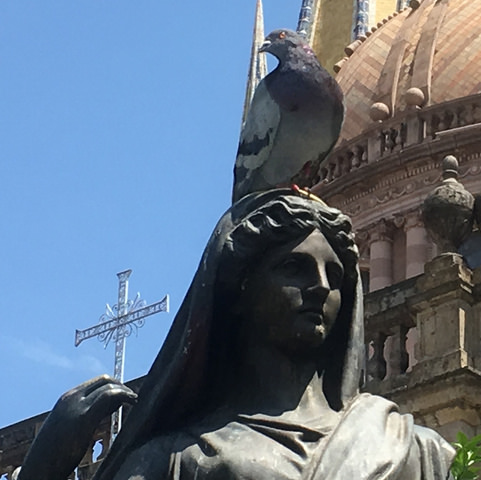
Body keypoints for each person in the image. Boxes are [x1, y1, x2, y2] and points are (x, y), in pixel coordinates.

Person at [19, 191, 453, 480]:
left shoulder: (413, 449)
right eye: (293, 267)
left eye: (336, 275)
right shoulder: (170, 462)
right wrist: (44, 468)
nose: (321, 285)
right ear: (239, 291)